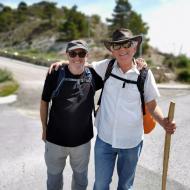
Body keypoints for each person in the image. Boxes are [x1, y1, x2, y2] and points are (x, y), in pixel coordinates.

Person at [49, 28, 176, 190]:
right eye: (117, 46)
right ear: (112, 51)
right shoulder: (106, 67)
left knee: (125, 186)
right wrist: (63, 63)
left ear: (134, 47)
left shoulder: (144, 75)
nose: (122, 49)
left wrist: (164, 122)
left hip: (131, 143)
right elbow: (82, 63)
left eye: (126, 44)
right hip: (105, 141)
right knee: (100, 185)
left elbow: (151, 106)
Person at [40, 40, 103, 190]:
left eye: (81, 53)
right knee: (53, 181)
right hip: (55, 140)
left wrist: (138, 63)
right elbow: (44, 102)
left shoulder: (94, 75)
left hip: (82, 142)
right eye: (73, 53)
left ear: (87, 55)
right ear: (67, 55)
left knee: (81, 181)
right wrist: (44, 128)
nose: (77, 57)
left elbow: (116, 68)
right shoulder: (55, 73)